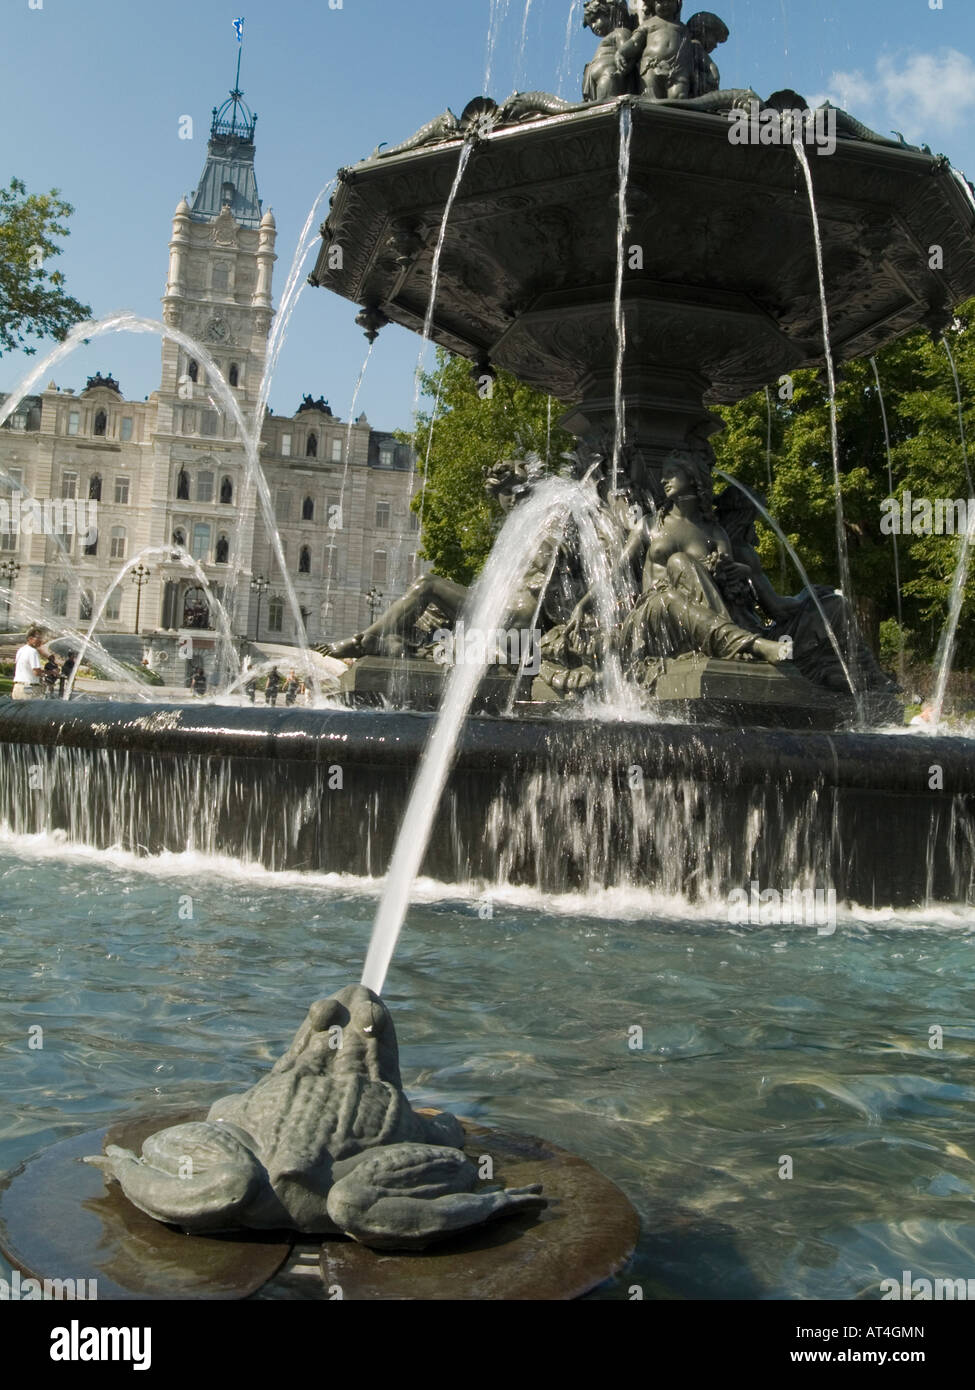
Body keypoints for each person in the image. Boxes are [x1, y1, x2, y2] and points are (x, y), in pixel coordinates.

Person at [615, 0, 696, 101]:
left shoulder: (683, 29)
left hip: (677, 68)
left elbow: (688, 51)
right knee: (650, 98)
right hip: (651, 66)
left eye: (670, 1)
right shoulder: (649, 24)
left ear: (678, 4)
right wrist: (621, 52)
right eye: (660, 2)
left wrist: (690, 73)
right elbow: (635, 42)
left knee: (679, 98)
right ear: (653, 4)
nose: (665, 4)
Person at [11, 626, 49, 701]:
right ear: (30, 638)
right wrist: (50, 672)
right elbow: (36, 672)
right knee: (28, 710)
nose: (41, 641)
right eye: (39, 638)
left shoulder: (21, 650)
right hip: (28, 688)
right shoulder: (33, 651)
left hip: (18, 687)